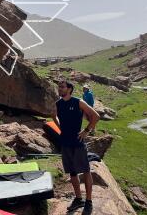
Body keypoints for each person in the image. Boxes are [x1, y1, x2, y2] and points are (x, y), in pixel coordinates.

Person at [52, 80, 100, 214]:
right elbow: (53, 116)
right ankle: (78, 199)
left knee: (85, 171)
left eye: (62, 87)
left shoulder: (78, 102)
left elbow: (95, 116)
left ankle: (88, 202)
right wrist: (60, 126)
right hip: (65, 143)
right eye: (59, 87)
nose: (59, 89)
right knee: (72, 172)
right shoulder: (58, 104)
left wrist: (86, 131)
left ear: (69, 89)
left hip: (78, 143)